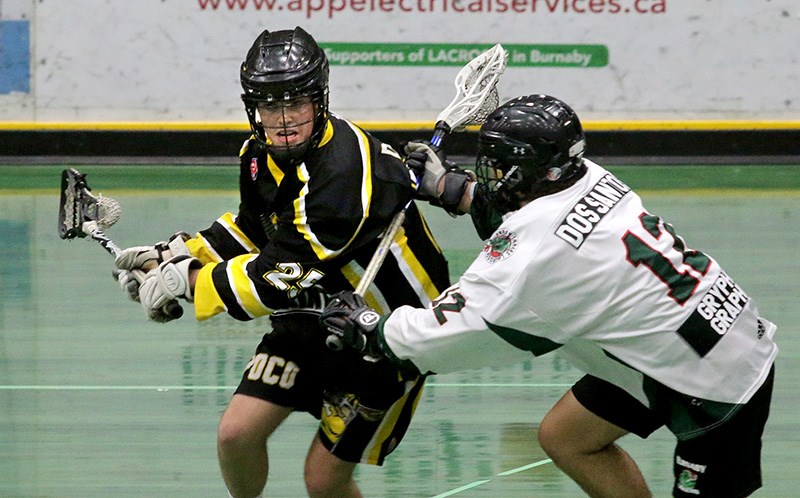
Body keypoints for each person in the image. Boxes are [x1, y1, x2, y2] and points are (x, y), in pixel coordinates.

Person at [320, 94, 778, 497]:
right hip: (695, 332)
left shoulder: (538, 260)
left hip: (717, 383)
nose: (493, 173)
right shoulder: (589, 176)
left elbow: (458, 329)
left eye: (499, 166)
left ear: (527, 170)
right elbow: (531, 218)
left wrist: (373, 329)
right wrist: (450, 188)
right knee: (567, 438)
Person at [113, 27, 451, 498]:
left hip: (384, 335)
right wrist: (175, 253)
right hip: (315, 317)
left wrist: (187, 282)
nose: (285, 119)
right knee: (236, 435)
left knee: (323, 480)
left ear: (321, 100)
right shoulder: (258, 154)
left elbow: (279, 277)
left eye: (296, 103)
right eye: (271, 106)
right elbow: (257, 229)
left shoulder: (341, 173)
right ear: (254, 108)